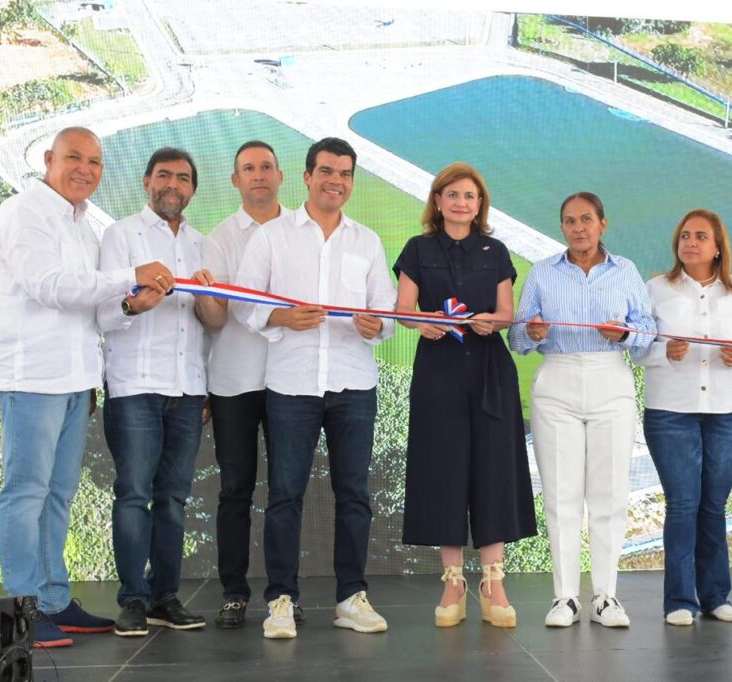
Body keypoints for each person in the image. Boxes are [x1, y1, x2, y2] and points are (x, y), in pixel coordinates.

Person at [0, 128, 173, 648]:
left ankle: (53, 600)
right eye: (74, 158)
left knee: (58, 495)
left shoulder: (82, 227)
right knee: (25, 493)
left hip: (75, 379)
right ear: (48, 159)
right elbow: (47, 286)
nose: (85, 169)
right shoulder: (23, 213)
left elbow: (93, 309)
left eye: (94, 162)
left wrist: (128, 305)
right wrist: (128, 276)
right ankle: (22, 612)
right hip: (31, 377)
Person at [234, 137, 395, 639]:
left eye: (345, 174)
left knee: (354, 495)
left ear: (351, 181)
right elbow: (243, 303)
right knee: (284, 494)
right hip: (292, 384)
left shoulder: (366, 241)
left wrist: (378, 327)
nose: (335, 181)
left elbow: (386, 315)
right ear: (306, 176)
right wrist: (280, 316)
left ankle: (351, 597)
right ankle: (281, 599)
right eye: (326, 171)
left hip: (353, 384)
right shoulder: (272, 237)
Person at [394, 162, 536, 629]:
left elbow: (506, 313)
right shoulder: (417, 249)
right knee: (444, 470)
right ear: (437, 201)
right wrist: (424, 322)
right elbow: (402, 312)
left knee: (494, 469)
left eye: (470, 196)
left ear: (480, 205)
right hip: (438, 371)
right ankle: (452, 582)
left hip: (490, 370)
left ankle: (494, 583)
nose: (461, 202)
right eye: (452, 194)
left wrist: (489, 322)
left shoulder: (496, 251)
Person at [509, 192, 655, 628]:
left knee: (609, 494)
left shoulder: (626, 271)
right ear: (562, 228)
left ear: (603, 224)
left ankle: (606, 597)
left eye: (586, 220)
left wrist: (624, 335)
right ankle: (565, 598)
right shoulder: (541, 273)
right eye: (570, 221)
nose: (578, 228)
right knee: (561, 495)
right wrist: (532, 332)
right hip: (557, 382)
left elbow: (648, 332)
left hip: (611, 379)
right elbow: (516, 340)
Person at [98, 147, 219, 637]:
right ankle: (131, 599)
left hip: (189, 389)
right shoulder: (119, 236)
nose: (173, 184)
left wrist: (206, 384)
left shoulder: (204, 246)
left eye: (183, 178)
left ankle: (165, 596)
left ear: (192, 189)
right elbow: (103, 314)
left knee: (173, 497)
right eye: (164, 176)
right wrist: (135, 304)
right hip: (134, 387)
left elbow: (212, 325)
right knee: (133, 494)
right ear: (147, 181)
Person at [637, 209, 732, 626]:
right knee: (682, 504)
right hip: (671, 413)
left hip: (730, 412)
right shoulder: (656, 289)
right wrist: (663, 351)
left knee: (714, 505)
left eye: (700, 236)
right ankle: (679, 600)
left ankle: (715, 596)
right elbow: (637, 346)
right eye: (685, 236)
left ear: (717, 247)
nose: (690, 242)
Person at [201, 141, 293, 629]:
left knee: (286, 490)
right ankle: (234, 592)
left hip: (289, 382)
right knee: (235, 489)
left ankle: (285, 595)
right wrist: (207, 298)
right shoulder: (217, 240)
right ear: (235, 180)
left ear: (282, 176)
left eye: (265, 167)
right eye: (247, 169)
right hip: (234, 382)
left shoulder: (301, 232)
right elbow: (218, 316)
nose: (258, 175)